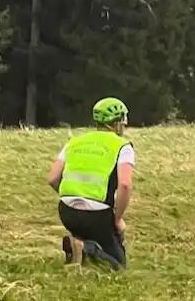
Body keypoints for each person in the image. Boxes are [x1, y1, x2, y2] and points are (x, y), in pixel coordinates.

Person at [47, 97, 135, 269]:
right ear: (117, 123)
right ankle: (86, 248)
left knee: (89, 234)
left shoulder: (74, 142)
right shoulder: (122, 146)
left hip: (67, 212)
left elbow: (52, 178)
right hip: (98, 214)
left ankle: (77, 245)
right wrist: (117, 218)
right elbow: (125, 184)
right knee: (118, 266)